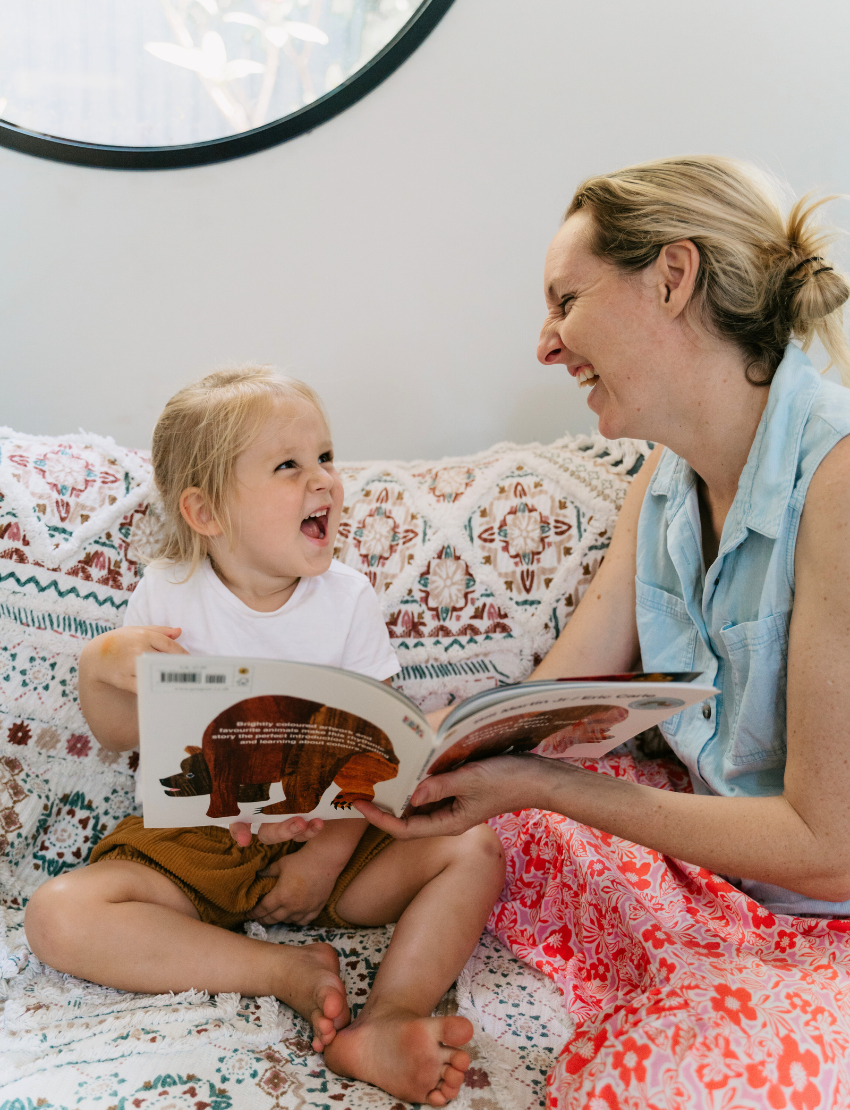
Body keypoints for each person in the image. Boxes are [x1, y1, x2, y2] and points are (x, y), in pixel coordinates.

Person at [357, 157, 850, 1105]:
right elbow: (543, 706)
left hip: (828, 909)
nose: (547, 346)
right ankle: (376, 1004)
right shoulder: (662, 486)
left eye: (566, 302)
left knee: (640, 1083)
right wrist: (441, 750)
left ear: (673, 278)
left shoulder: (835, 482)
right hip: (721, 885)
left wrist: (540, 782)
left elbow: (829, 846)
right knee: (474, 834)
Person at [25, 367, 505, 1107]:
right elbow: (117, 733)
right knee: (57, 914)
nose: (323, 480)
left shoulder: (346, 598)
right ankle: (278, 970)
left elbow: (376, 755)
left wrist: (327, 854)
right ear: (207, 510)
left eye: (325, 457)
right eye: (289, 465)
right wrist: (102, 666)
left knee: (473, 849)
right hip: (201, 842)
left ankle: (389, 1018)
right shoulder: (169, 592)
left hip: (333, 836)